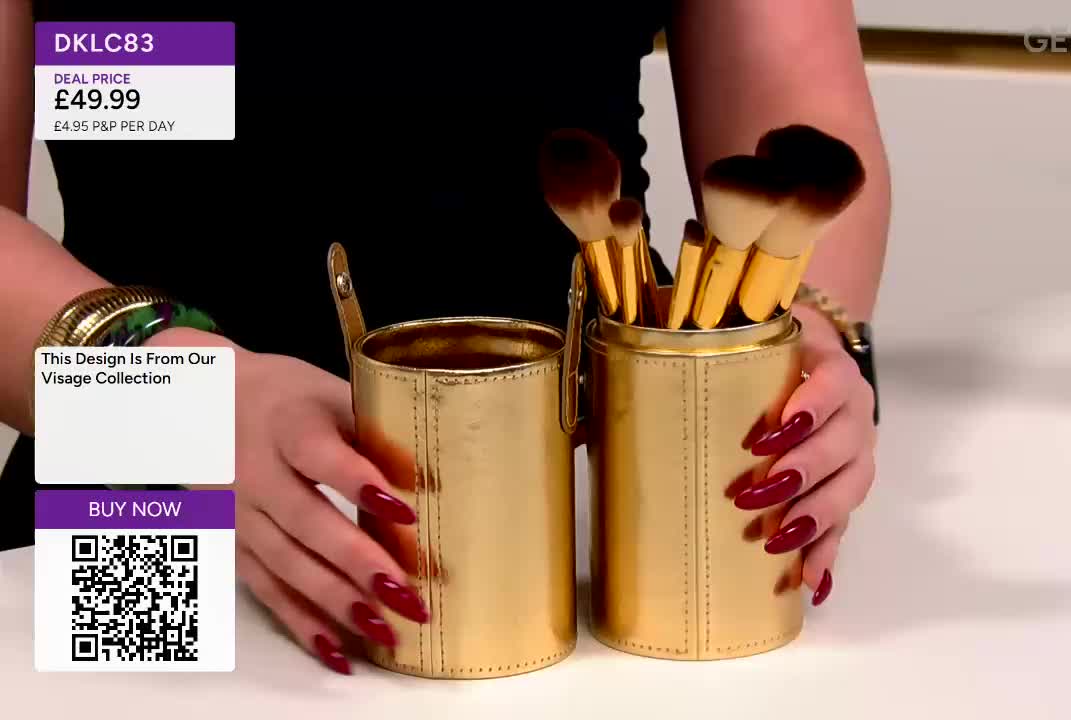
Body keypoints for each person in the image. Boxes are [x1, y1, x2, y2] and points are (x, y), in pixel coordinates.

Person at [0, 3, 891, 674]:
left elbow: (804, 131)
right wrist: (172, 403)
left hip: (618, 533)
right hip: (140, 514)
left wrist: (800, 336)